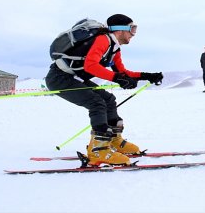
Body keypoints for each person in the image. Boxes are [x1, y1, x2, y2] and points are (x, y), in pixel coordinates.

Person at [45, 14, 163, 166]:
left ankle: (113, 142)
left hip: (74, 78)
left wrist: (147, 76)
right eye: (132, 29)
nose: (133, 34)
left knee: (108, 99)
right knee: (97, 103)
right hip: (59, 78)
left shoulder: (114, 48)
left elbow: (123, 72)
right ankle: (98, 150)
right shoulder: (103, 40)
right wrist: (117, 79)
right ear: (120, 30)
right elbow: (90, 65)